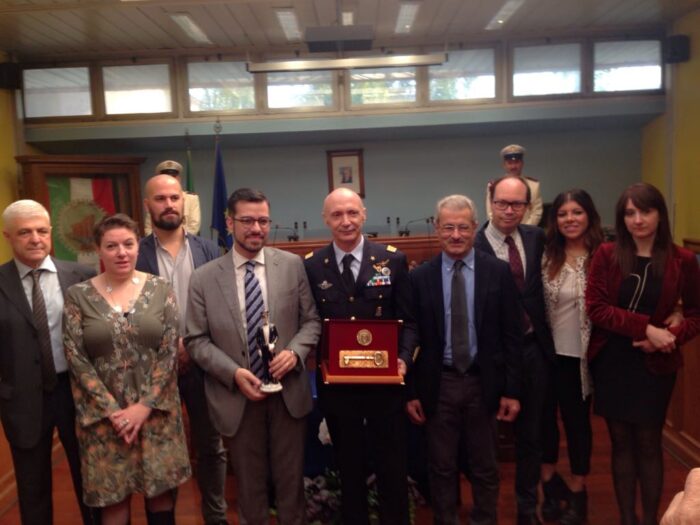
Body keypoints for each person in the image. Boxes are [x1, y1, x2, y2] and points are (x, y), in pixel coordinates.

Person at [185, 188, 320, 525]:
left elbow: (312, 322)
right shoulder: (203, 278)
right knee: (249, 489)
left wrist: (295, 352)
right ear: (229, 223)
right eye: (247, 221)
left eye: (263, 221)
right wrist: (233, 373)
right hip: (238, 398)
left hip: (288, 394)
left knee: (292, 489)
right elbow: (196, 340)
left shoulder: (291, 266)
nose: (256, 228)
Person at [63, 213, 191, 525]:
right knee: (113, 500)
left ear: (138, 247)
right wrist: (114, 412)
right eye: (112, 246)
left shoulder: (161, 289)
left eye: (128, 244)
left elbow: (168, 352)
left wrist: (144, 406)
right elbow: (76, 358)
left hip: (156, 413)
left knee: (160, 496)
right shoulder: (78, 296)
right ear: (99, 250)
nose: (121, 252)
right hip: (105, 420)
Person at [586, 182, 700, 525]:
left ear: (659, 214)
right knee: (620, 443)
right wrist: (646, 328)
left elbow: (696, 313)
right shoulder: (607, 253)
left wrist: (669, 337)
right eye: (630, 213)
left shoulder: (684, 259)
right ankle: (627, 519)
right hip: (612, 360)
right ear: (622, 218)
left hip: (656, 363)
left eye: (646, 211)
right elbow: (596, 308)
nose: (638, 219)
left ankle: (650, 519)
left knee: (650, 442)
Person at [406, 194, 522, 525]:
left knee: (485, 466)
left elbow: (512, 336)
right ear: (436, 228)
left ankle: (485, 519)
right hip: (438, 384)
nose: (455, 235)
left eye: (462, 227)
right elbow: (411, 338)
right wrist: (411, 391)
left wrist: (512, 390)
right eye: (448, 228)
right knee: (440, 467)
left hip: (483, 383)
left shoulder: (497, 272)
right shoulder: (420, 278)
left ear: (474, 228)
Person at [304, 187, 417, 525]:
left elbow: (409, 322)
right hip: (339, 389)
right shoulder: (313, 266)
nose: (346, 221)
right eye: (337, 214)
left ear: (364, 214)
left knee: (392, 468)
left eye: (352, 212)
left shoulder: (393, 260)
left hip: (386, 387)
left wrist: (405, 359)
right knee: (349, 468)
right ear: (325, 219)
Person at [136, 174, 229, 525]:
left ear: (183, 203)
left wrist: (191, 345)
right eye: (160, 199)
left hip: (204, 363)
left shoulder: (208, 249)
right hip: (154, 368)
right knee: (159, 450)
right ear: (148, 206)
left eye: (174, 198)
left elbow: (221, 307)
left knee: (211, 447)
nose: (169, 204)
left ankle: (215, 517)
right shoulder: (135, 253)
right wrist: (168, 348)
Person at [0, 199, 98, 525]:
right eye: (24, 232)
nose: (35, 239)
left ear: (51, 232)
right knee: (33, 491)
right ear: (7, 236)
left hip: (77, 394)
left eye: (42, 231)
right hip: (24, 402)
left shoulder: (83, 277)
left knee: (91, 485)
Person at [475, 175, 555, 525]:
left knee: (532, 435)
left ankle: (527, 508)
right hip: (491, 357)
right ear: (490, 202)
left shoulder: (537, 238)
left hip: (534, 348)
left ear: (527, 206)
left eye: (517, 204)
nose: (509, 210)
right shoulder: (471, 244)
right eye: (502, 203)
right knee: (487, 439)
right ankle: (486, 510)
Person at [540, 189, 604, 525]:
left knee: (579, 426)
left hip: (585, 359)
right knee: (544, 424)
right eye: (563, 214)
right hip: (548, 356)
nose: (569, 219)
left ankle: (579, 491)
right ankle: (550, 485)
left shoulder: (604, 256)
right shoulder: (546, 254)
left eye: (576, 212)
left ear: (589, 216)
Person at [485, 144, 543, 226]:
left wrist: (525, 230)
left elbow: (536, 212)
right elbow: (490, 213)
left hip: (527, 232)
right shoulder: (494, 185)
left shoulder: (534, 186)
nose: (513, 166)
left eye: (516, 162)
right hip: (501, 232)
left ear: (522, 163)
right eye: (510, 163)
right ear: (504, 165)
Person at [144, 160, 201, 235]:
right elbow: (148, 228)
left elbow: (194, 226)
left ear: (179, 179)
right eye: (161, 199)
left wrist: (177, 240)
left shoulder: (191, 198)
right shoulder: (154, 200)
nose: (169, 205)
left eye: (174, 176)